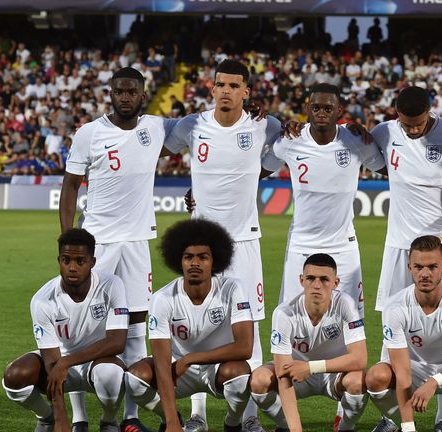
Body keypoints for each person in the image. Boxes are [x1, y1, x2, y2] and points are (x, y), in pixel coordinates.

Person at [164, 59, 282, 432]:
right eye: (221, 85)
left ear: (247, 92)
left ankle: (249, 416)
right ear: (211, 88)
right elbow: (157, 144)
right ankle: (197, 413)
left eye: (235, 85)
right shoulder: (192, 125)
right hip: (202, 245)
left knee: (251, 327)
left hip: (244, 241)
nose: (227, 91)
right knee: (197, 324)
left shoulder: (266, 124)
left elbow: (292, 142)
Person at [59, 66, 177, 432]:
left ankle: (129, 417)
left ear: (143, 95)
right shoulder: (89, 134)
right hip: (98, 242)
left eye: (132, 91)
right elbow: (70, 189)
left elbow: (202, 125)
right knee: (79, 325)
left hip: (137, 243)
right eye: (118, 91)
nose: (124, 96)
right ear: (110, 94)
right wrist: (69, 241)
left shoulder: (155, 128)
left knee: (136, 325)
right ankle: (79, 418)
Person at [371, 85, 442, 431]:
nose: (412, 129)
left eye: (418, 123)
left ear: (430, 112)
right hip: (398, 245)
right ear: (396, 115)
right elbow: (369, 156)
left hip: (439, 243)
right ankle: (391, 417)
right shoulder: (384, 132)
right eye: (406, 124)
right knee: (392, 327)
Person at [262, 82, 386, 313]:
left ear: (339, 111)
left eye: (328, 109)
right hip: (301, 244)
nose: (321, 113)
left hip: (343, 245)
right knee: (291, 315)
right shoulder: (290, 140)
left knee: (351, 316)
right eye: (316, 107)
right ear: (307, 109)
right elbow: (256, 174)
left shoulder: (356, 140)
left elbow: (393, 172)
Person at [125, 219, 254, 432]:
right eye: (188, 257)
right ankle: (172, 418)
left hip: (217, 368)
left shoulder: (232, 289)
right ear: (179, 261)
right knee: (134, 379)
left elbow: (244, 348)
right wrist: (171, 422)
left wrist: (191, 358)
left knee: (240, 375)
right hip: (177, 370)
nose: (195, 263)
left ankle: (232, 423)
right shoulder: (162, 299)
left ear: (214, 261)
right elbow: (161, 362)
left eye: (203, 257)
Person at [2, 229, 128, 432]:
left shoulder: (111, 285)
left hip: (95, 362)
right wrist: (60, 417)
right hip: (57, 363)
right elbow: (51, 361)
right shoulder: (42, 300)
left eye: (80, 261)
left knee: (111, 374)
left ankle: (108, 421)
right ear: (59, 260)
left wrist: (67, 362)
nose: (72, 267)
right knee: (15, 376)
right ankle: (46, 418)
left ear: (92, 262)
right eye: (66, 260)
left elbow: (117, 342)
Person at [366, 236, 442, 432]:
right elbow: (402, 370)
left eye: (432, 267)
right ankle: (403, 425)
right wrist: (409, 428)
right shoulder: (395, 307)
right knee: (375, 377)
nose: (425, 273)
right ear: (410, 268)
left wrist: (435, 381)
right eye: (418, 267)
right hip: (413, 369)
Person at [250, 253, 368, 432]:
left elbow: (360, 359)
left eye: (324, 279)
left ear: (335, 283)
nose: (317, 285)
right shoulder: (284, 313)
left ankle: (345, 428)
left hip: (333, 373)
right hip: (294, 374)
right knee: (259, 380)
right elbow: (283, 375)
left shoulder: (345, 304)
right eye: (311, 278)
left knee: (357, 380)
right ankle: (285, 426)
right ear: (301, 280)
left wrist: (311, 367)